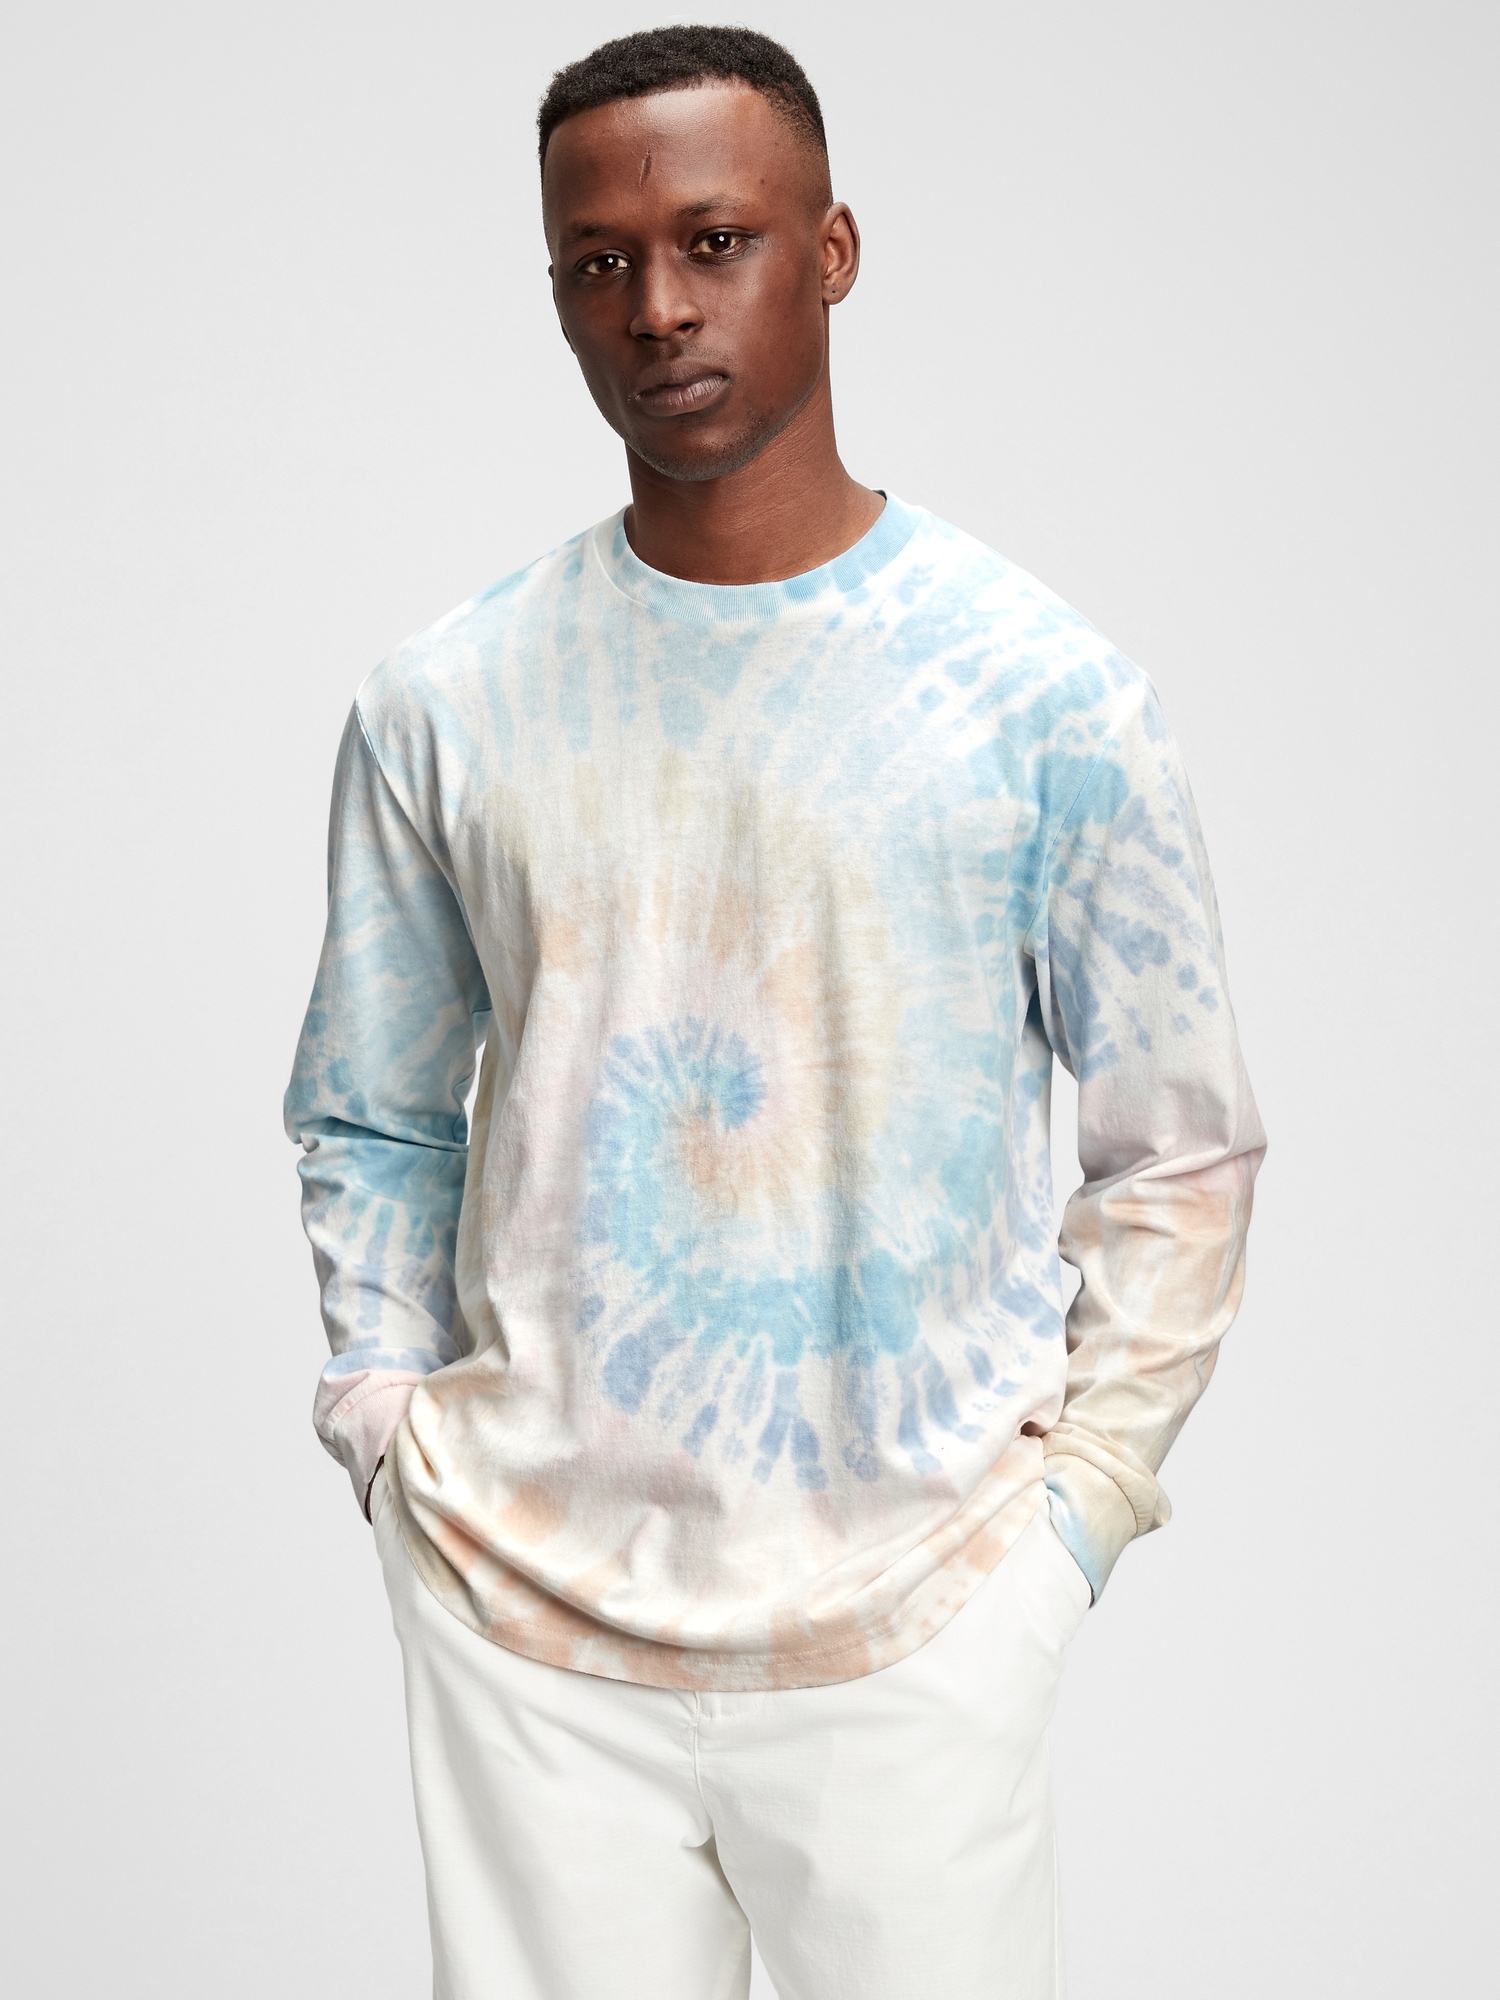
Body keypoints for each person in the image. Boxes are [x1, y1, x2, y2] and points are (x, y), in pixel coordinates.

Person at [285, 24, 1265, 2000]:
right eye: (599, 261)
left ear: (832, 250)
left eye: (713, 241)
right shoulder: (445, 702)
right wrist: (391, 1426)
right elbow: (372, 1110)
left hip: (918, 1615)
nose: (656, 306)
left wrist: (1074, 1517)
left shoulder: (1042, 694)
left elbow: (1179, 1147)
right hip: (526, 1621)